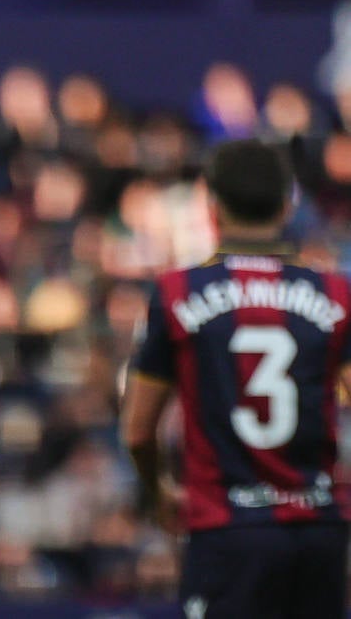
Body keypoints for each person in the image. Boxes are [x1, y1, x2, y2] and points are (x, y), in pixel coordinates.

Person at [122, 138, 351, 619]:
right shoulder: (335, 294)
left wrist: (159, 490)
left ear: (212, 207)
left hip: (227, 531)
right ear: (288, 206)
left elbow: (138, 431)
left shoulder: (178, 294)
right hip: (319, 529)